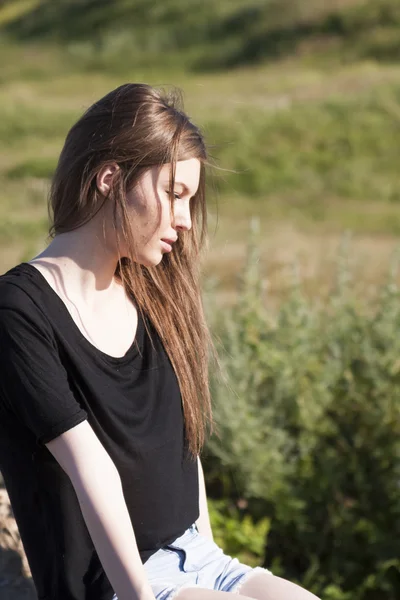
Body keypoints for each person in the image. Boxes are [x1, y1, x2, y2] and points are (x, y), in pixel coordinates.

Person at [0, 83, 320, 600]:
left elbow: (181, 444)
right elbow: (91, 470)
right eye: (174, 194)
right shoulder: (19, 309)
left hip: (199, 560)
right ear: (109, 179)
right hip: (116, 583)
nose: (184, 220)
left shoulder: (153, 293)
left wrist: (214, 561)